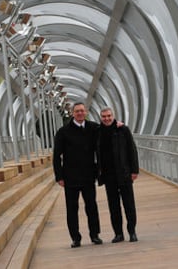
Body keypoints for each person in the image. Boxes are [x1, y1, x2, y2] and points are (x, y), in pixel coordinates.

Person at [53, 102, 103, 248]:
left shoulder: (94, 128)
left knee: (91, 206)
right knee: (72, 208)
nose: (80, 113)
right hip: (70, 177)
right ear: (72, 113)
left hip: (88, 175)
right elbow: (56, 156)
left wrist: (119, 125)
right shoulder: (63, 132)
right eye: (77, 111)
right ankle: (75, 238)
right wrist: (59, 176)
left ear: (85, 112)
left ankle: (95, 235)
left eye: (82, 111)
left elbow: (107, 131)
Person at [97, 106, 139, 243]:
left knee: (129, 205)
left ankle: (132, 232)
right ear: (100, 118)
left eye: (109, 116)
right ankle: (118, 234)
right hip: (109, 176)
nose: (107, 118)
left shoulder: (123, 130)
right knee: (113, 206)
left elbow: (132, 150)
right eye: (104, 116)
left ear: (113, 116)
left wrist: (134, 170)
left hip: (124, 173)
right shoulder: (98, 132)